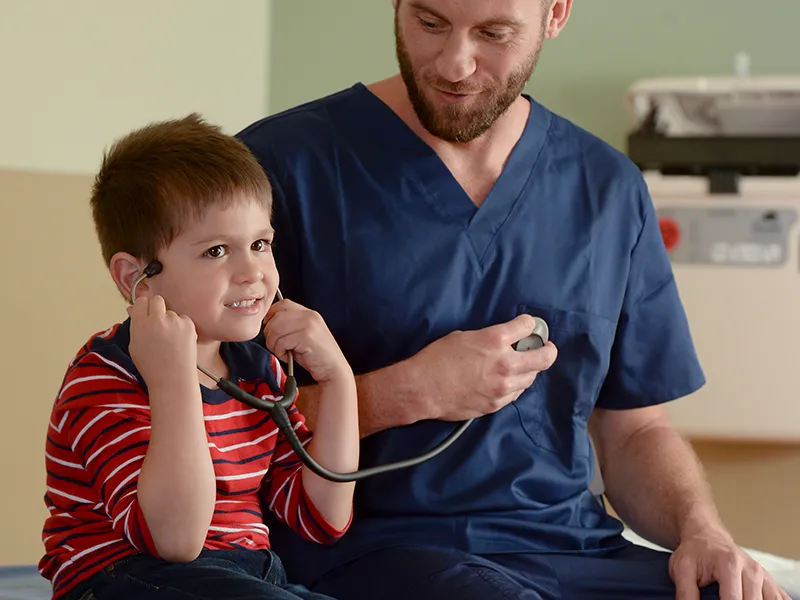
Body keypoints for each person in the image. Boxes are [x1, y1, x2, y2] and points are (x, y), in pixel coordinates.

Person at [235, 1, 793, 599]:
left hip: (573, 548)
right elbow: (213, 426)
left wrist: (700, 531)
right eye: (429, 24)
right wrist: (414, 390)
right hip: (376, 552)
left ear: (555, 14)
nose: (454, 62)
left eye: (493, 33)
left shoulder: (607, 188)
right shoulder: (279, 169)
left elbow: (634, 431)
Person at [39, 114, 360, 600]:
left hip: (248, 575)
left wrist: (338, 382)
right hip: (125, 579)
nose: (253, 272)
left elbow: (322, 518)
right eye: (215, 251)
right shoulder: (105, 375)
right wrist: (174, 383)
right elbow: (173, 541)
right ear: (136, 279)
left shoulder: (260, 371)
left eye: (259, 244)